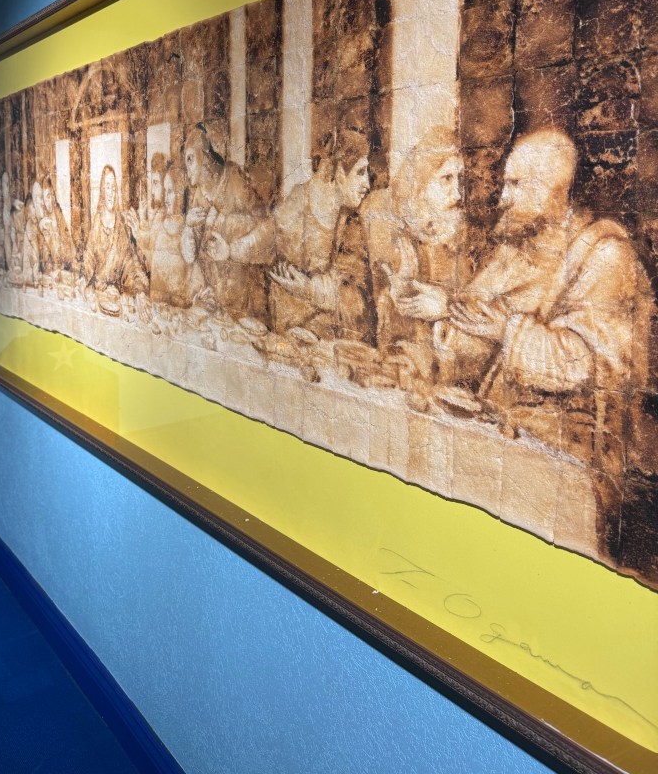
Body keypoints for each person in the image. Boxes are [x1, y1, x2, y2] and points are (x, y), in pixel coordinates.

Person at [447, 128, 654, 559]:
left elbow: (578, 362)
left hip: (571, 459)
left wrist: (507, 330)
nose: (503, 198)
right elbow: (473, 324)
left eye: (516, 185)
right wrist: (444, 312)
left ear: (552, 190)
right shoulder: (519, 247)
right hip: (503, 439)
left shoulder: (605, 256)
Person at [362, 127, 470, 379]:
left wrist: (446, 307)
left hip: (441, 371)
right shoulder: (381, 218)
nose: (457, 193)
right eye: (446, 178)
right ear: (421, 181)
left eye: (459, 179)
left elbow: (475, 304)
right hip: (390, 365)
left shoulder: (460, 234)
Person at [269, 128, 375, 343]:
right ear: (337, 171)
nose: (367, 184)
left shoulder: (354, 222)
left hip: (327, 339)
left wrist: (310, 289)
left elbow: (358, 298)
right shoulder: (299, 199)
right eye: (360, 172)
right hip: (287, 333)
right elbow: (267, 241)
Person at [181, 122, 273, 321]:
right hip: (217, 302)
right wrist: (188, 227)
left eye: (190, 159)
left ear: (205, 156)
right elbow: (191, 257)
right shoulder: (199, 194)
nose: (187, 169)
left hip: (246, 301)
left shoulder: (234, 178)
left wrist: (230, 249)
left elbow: (267, 230)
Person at [82, 164, 149, 310]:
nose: (111, 193)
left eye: (113, 188)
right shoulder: (97, 224)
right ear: (102, 190)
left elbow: (131, 264)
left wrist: (139, 291)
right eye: (107, 187)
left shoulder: (121, 226)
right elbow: (88, 259)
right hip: (98, 296)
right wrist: (89, 283)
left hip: (116, 300)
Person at [150, 161, 204, 308]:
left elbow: (194, 273)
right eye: (165, 190)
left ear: (181, 194)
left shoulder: (189, 226)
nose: (166, 198)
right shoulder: (159, 222)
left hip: (180, 311)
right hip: (157, 307)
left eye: (170, 191)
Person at [125, 152, 166, 275]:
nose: (152, 191)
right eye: (152, 183)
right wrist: (142, 219)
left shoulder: (164, 215)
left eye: (156, 183)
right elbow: (149, 240)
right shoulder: (159, 211)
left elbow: (152, 257)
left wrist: (137, 230)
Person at [38, 175, 75, 274]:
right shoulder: (44, 223)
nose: (49, 201)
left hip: (65, 268)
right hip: (51, 272)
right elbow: (44, 257)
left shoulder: (59, 215)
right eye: (46, 198)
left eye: (50, 196)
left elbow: (69, 247)